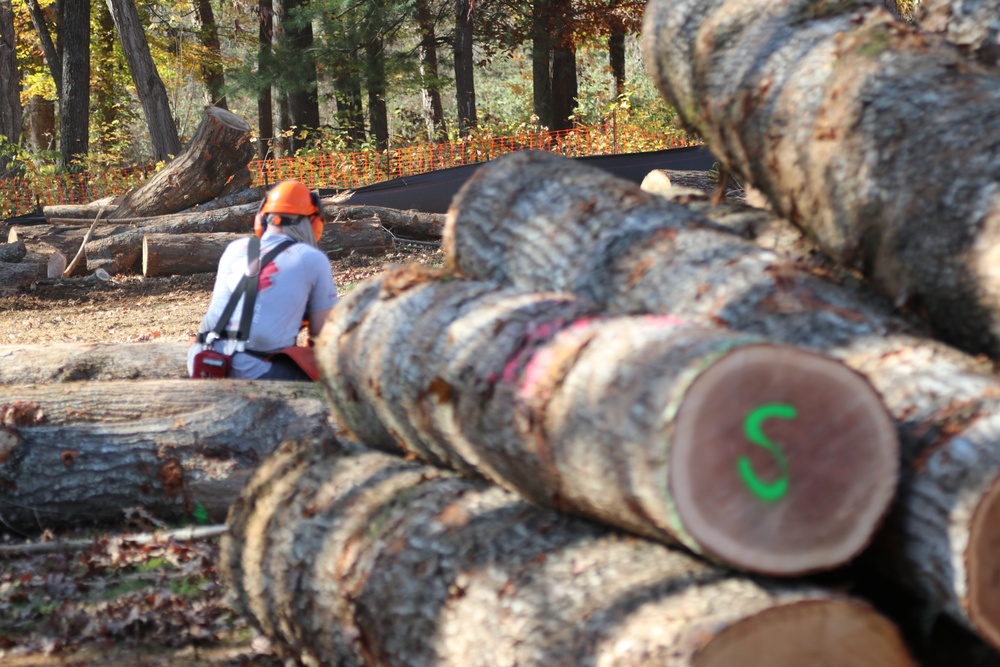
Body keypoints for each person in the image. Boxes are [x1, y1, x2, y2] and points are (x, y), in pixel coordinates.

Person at [188, 179, 338, 381]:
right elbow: (324, 334)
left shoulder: (235, 248)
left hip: (203, 359)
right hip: (254, 369)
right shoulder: (311, 258)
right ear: (312, 222)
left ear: (261, 219)